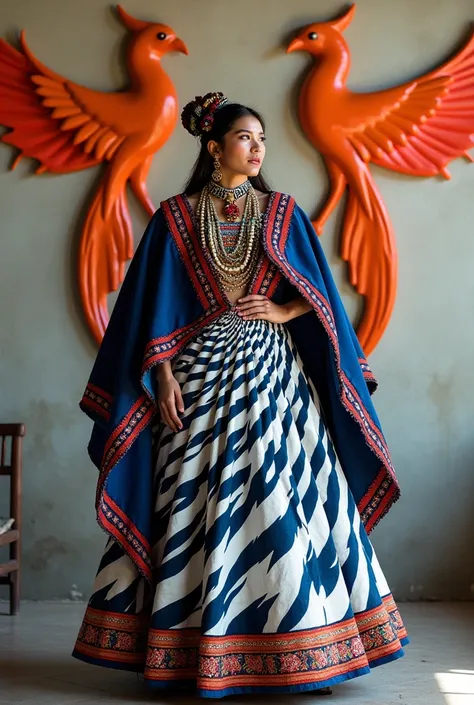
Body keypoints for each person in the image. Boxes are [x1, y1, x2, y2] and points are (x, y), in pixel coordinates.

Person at [72, 92, 408, 698]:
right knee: (193, 500)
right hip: (196, 377)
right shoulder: (175, 217)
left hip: (272, 377)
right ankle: (186, 653)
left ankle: (308, 652)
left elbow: (323, 295)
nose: (257, 149)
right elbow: (148, 308)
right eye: (246, 138)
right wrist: (164, 376)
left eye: (261, 139)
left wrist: (281, 308)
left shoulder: (282, 213)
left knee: (282, 492)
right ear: (213, 146)